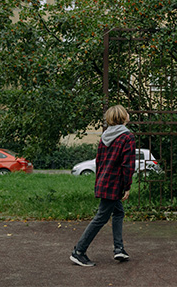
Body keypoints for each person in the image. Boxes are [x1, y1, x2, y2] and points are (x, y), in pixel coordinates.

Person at [70, 104, 136, 267]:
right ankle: (79, 251)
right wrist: (127, 186)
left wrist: (99, 181)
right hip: (115, 184)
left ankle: (119, 249)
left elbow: (99, 162)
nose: (128, 114)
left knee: (118, 212)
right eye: (126, 112)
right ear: (123, 117)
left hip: (104, 181)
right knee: (101, 217)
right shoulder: (127, 137)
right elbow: (127, 165)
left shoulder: (105, 136)